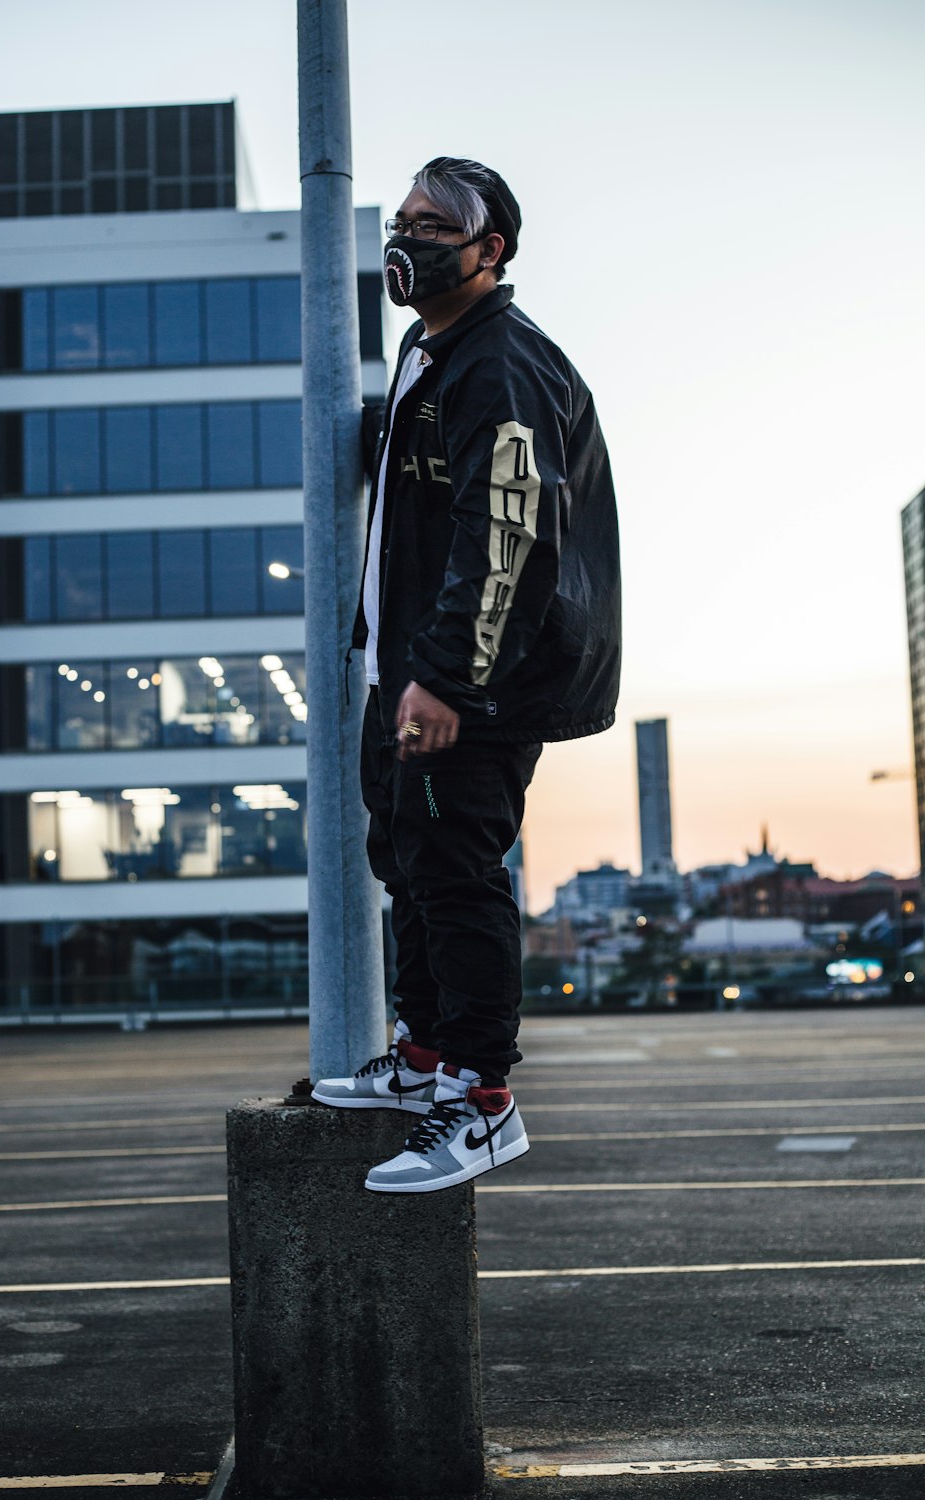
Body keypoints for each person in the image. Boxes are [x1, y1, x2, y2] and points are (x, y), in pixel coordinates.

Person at [312, 157, 621, 1194]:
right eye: (402, 218)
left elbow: (512, 532)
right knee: (405, 857)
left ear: (490, 251)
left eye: (435, 223)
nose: (409, 235)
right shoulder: (426, 349)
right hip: (407, 666)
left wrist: (445, 679)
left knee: (454, 870)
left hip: (471, 679)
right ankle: (428, 1058)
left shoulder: (502, 363)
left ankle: (482, 1101)